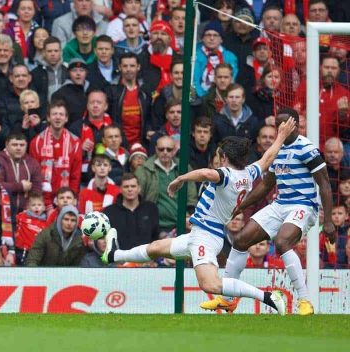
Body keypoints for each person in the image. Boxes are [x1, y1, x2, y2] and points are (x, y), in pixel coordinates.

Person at [104, 119, 297, 315]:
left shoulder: (227, 174)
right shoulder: (248, 173)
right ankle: (114, 255)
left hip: (205, 237)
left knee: (210, 284)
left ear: (224, 157)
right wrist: (281, 136)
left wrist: (180, 179)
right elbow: (267, 158)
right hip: (202, 233)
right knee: (156, 248)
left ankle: (269, 297)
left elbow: (206, 173)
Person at [202, 108, 335, 315]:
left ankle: (305, 301)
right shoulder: (277, 150)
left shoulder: (307, 149)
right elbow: (265, 186)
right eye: (278, 124)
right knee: (240, 240)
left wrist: (328, 221)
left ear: (295, 125)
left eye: (285, 123)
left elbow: (325, 184)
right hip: (280, 204)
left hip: (303, 205)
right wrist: (240, 207)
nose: (281, 127)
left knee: (282, 243)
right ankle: (227, 300)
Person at [135, 136, 197, 233]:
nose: (165, 152)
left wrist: (189, 214)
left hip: (182, 225)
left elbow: (191, 197)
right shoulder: (144, 170)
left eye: (169, 149)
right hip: (156, 226)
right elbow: (137, 198)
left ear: (174, 150)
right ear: (156, 149)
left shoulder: (184, 167)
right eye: (161, 149)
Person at [29, 100, 82, 206]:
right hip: (42, 201)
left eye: (61, 114)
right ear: (48, 117)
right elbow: (34, 175)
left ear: (66, 118)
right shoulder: (37, 142)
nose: (58, 117)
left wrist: (70, 199)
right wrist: (42, 203)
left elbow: (75, 175)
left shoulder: (75, 142)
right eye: (54, 114)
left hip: (66, 200)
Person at [103, 173, 159, 250]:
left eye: (133, 186)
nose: (130, 189)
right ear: (120, 189)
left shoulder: (151, 208)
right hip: (120, 259)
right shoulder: (109, 212)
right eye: (126, 186)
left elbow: (156, 235)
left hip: (146, 258)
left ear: (139, 188)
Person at [0, 132, 43, 213]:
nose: (18, 148)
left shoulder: (32, 163)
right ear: (7, 145)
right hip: (2, 212)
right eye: (14, 145)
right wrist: (20, 186)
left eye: (22, 145)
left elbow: (37, 189)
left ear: (26, 146)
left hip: (26, 213)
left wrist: (30, 208)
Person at [194, 20, 238, 98]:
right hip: (200, 98)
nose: (211, 38)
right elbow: (194, 81)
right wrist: (204, 97)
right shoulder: (195, 55)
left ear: (221, 39)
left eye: (215, 35)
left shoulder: (230, 57)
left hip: (224, 97)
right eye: (208, 35)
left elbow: (231, 80)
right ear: (203, 38)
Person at [30, 37, 68, 111]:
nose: (53, 54)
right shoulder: (35, 73)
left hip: (66, 114)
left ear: (61, 52)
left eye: (56, 51)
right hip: (44, 114)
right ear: (44, 52)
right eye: (49, 51)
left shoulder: (68, 71)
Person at [51, 58, 91, 127]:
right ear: (69, 73)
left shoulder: (93, 90)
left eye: (81, 70)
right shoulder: (60, 94)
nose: (78, 73)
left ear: (86, 73)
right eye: (74, 70)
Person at [14, 192, 47, 265]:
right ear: (28, 207)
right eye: (33, 205)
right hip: (22, 249)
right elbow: (12, 222)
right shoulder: (22, 216)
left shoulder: (45, 223)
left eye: (39, 205)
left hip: (35, 252)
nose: (36, 207)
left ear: (44, 207)